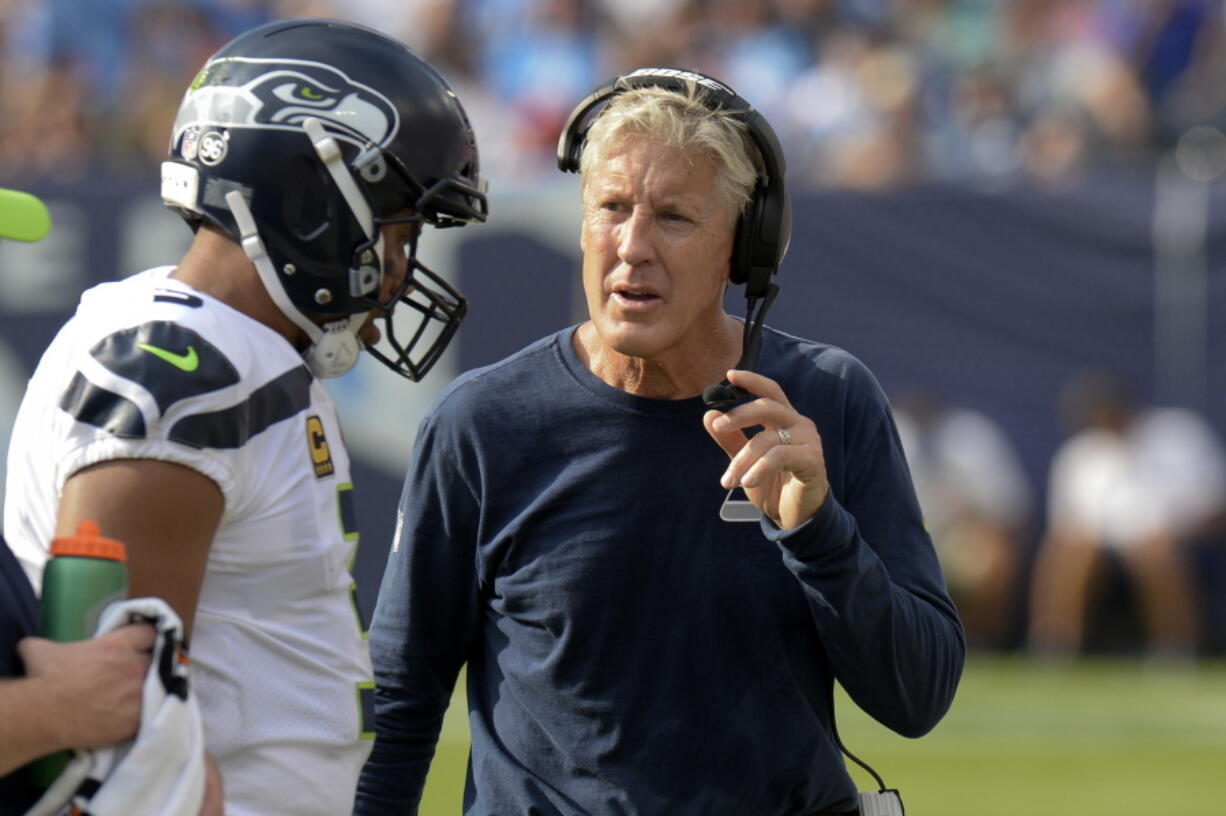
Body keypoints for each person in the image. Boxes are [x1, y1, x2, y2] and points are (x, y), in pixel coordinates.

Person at [356, 68, 963, 816]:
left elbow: (919, 697)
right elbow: (401, 700)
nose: (632, 246)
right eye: (611, 208)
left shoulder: (830, 402)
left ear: (742, 250)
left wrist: (819, 534)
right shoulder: (482, 423)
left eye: (674, 217)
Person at [3, 18, 487, 816]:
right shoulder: (184, 367)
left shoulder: (237, 348)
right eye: (397, 231)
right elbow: (115, 726)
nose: (400, 271)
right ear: (314, 198)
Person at [1028, 371, 1226, 660]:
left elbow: (1215, 505)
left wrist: (1176, 529)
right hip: (1101, 544)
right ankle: (1055, 644)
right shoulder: (1078, 454)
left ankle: (1174, 646)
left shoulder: (1179, 433)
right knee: (1069, 549)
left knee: (1155, 549)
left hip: (1180, 539)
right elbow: (1068, 522)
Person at [893, 389, 1033, 650]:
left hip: (960, 539)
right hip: (901, 539)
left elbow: (1009, 512)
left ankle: (975, 642)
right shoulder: (889, 435)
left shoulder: (974, 438)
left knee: (994, 554)